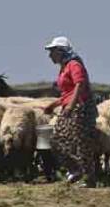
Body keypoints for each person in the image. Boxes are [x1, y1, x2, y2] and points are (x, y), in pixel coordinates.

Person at [42, 36, 98, 187]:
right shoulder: (64, 68)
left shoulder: (74, 64)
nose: (50, 56)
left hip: (81, 108)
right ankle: (76, 169)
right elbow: (67, 93)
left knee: (81, 142)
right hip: (70, 107)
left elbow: (80, 85)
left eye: (52, 52)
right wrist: (53, 105)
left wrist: (71, 106)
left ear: (61, 51)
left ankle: (89, 178)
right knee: (55, 140)